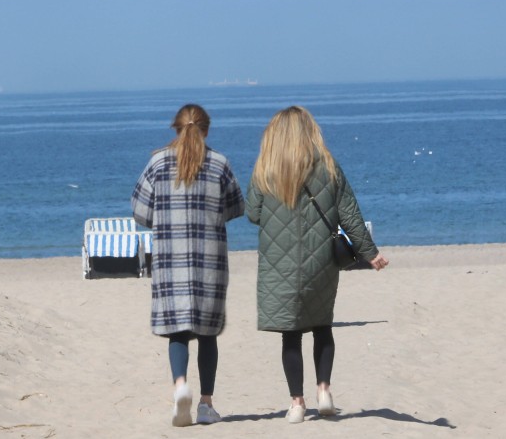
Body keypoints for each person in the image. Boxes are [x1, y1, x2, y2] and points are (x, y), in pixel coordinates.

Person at [245, 106, 389, 424]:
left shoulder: (265, 167)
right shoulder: (327, 165)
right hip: (321, 260)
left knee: (291, 333)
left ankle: (297, 403)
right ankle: (324, 390)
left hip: (279, 264)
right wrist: (370, 253)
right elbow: (350, 213)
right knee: (322, 325)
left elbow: (253, 214)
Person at [131, 103, 245, 427]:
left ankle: (180, 386)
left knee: (177, 331)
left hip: (170, 260)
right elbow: (236, 206)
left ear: (176, 129)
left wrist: (165, 218)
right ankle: (206, 405)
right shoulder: (220, 164)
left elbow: (140, 211)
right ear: (206, 130)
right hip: (210, 260)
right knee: (208, 334)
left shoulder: (157, 162)